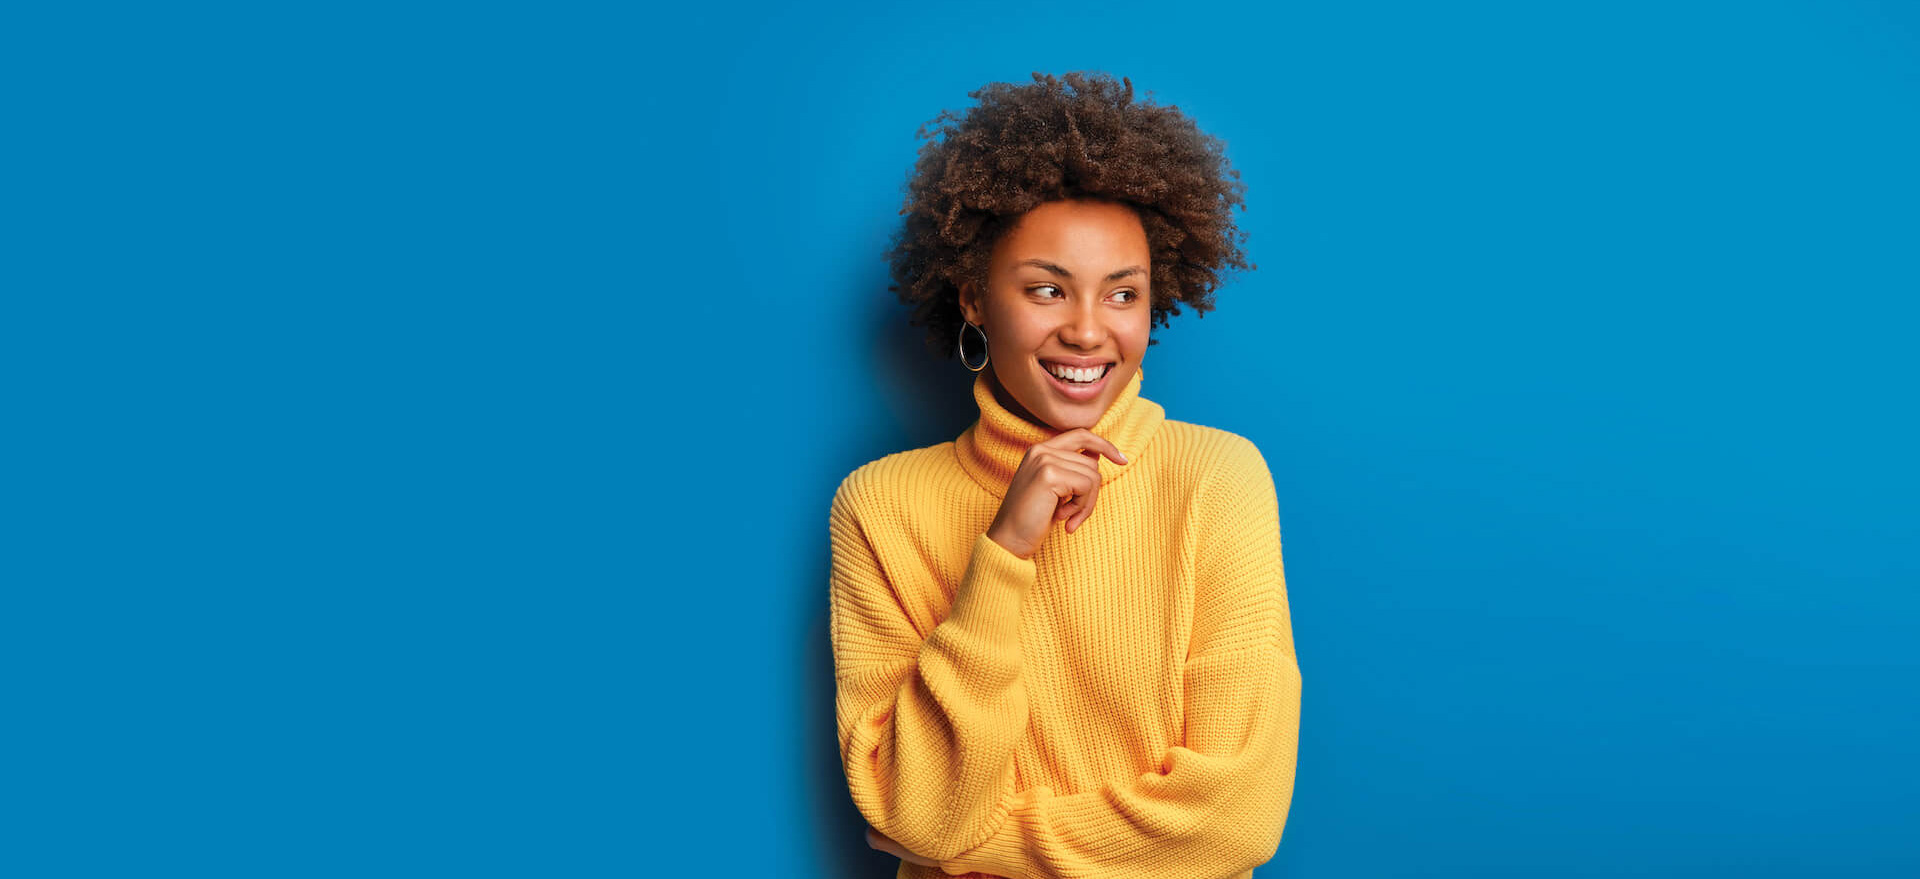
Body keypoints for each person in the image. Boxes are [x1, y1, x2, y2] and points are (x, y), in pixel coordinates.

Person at [829, 71, 1302, 879]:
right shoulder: (882, 505)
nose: (1088, 331)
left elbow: (1237, 818)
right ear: (975, 297)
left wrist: (985, 846)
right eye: (1047, 289)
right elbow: (915, 809)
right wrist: (1006, 550)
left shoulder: (1216, 479)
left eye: (1123, 294)